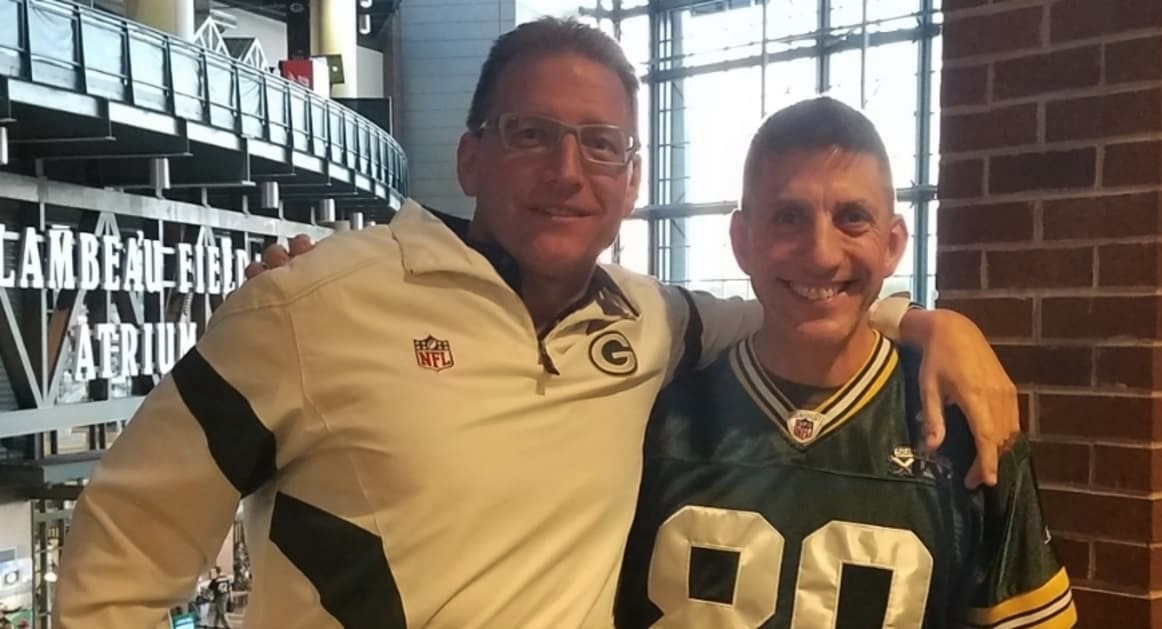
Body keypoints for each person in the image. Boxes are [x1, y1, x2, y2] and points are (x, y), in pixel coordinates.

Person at [55, 18, 1018, 629]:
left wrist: (929, 323)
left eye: (601, 144)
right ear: (470, 157)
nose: (568, 172)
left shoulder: (654, 324)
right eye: (532, 134)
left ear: (632, 181)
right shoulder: (312, 306)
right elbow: (124, 548)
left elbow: (800, 300)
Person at [614, 98, 1075, 628]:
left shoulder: (968, 427)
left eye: (853, 218)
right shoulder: (656, 416)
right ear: (742, 240)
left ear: (893, 244)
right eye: (788, 217)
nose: (822, 254)